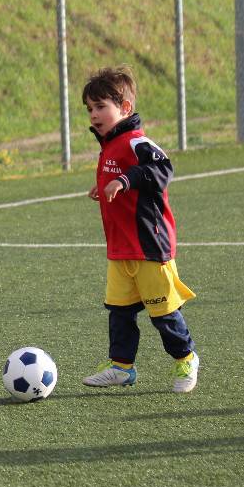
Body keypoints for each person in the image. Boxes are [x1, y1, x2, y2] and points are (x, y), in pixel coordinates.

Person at [80, 66, 199, 393]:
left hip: (148, 246)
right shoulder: (109, 144)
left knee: (162, 313)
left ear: (125, 108)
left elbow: (162, 169)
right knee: (119, 312)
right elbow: (118, 173)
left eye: (101, 106)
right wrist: (102, 184)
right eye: (90, 108)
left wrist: (124, 180)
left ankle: (186, 357)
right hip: (120, 248)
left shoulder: (136, 141)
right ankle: (121, 367)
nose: (94, 114)